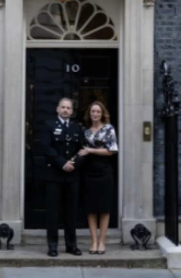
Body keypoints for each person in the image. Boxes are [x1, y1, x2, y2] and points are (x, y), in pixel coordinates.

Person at [41, 97, 86, 257]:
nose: (65, 110)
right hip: (54, 175)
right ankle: (52, 245)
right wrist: (62, 164)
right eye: (63, 107)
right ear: (57, 109)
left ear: (72, 111)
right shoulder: (49, 125)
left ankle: (71, 245)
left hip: (72, 175)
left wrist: (74, 164)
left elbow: (82, 149)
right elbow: (47, 148)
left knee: (71, 212)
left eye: (68, 108)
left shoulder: (77, 128)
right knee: (53, 212)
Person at [79, 101, 119, 255]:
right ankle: (93, 242)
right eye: (92, 111)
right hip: (89, 172)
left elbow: (112, 151)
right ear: (89, 113)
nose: (95, 114)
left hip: (104, 172)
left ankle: (102, 242)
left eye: (98, 111)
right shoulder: (86, 132)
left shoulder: (109, 129)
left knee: (104, 209)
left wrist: (90, 150)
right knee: (91, 209)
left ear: (102, 114)